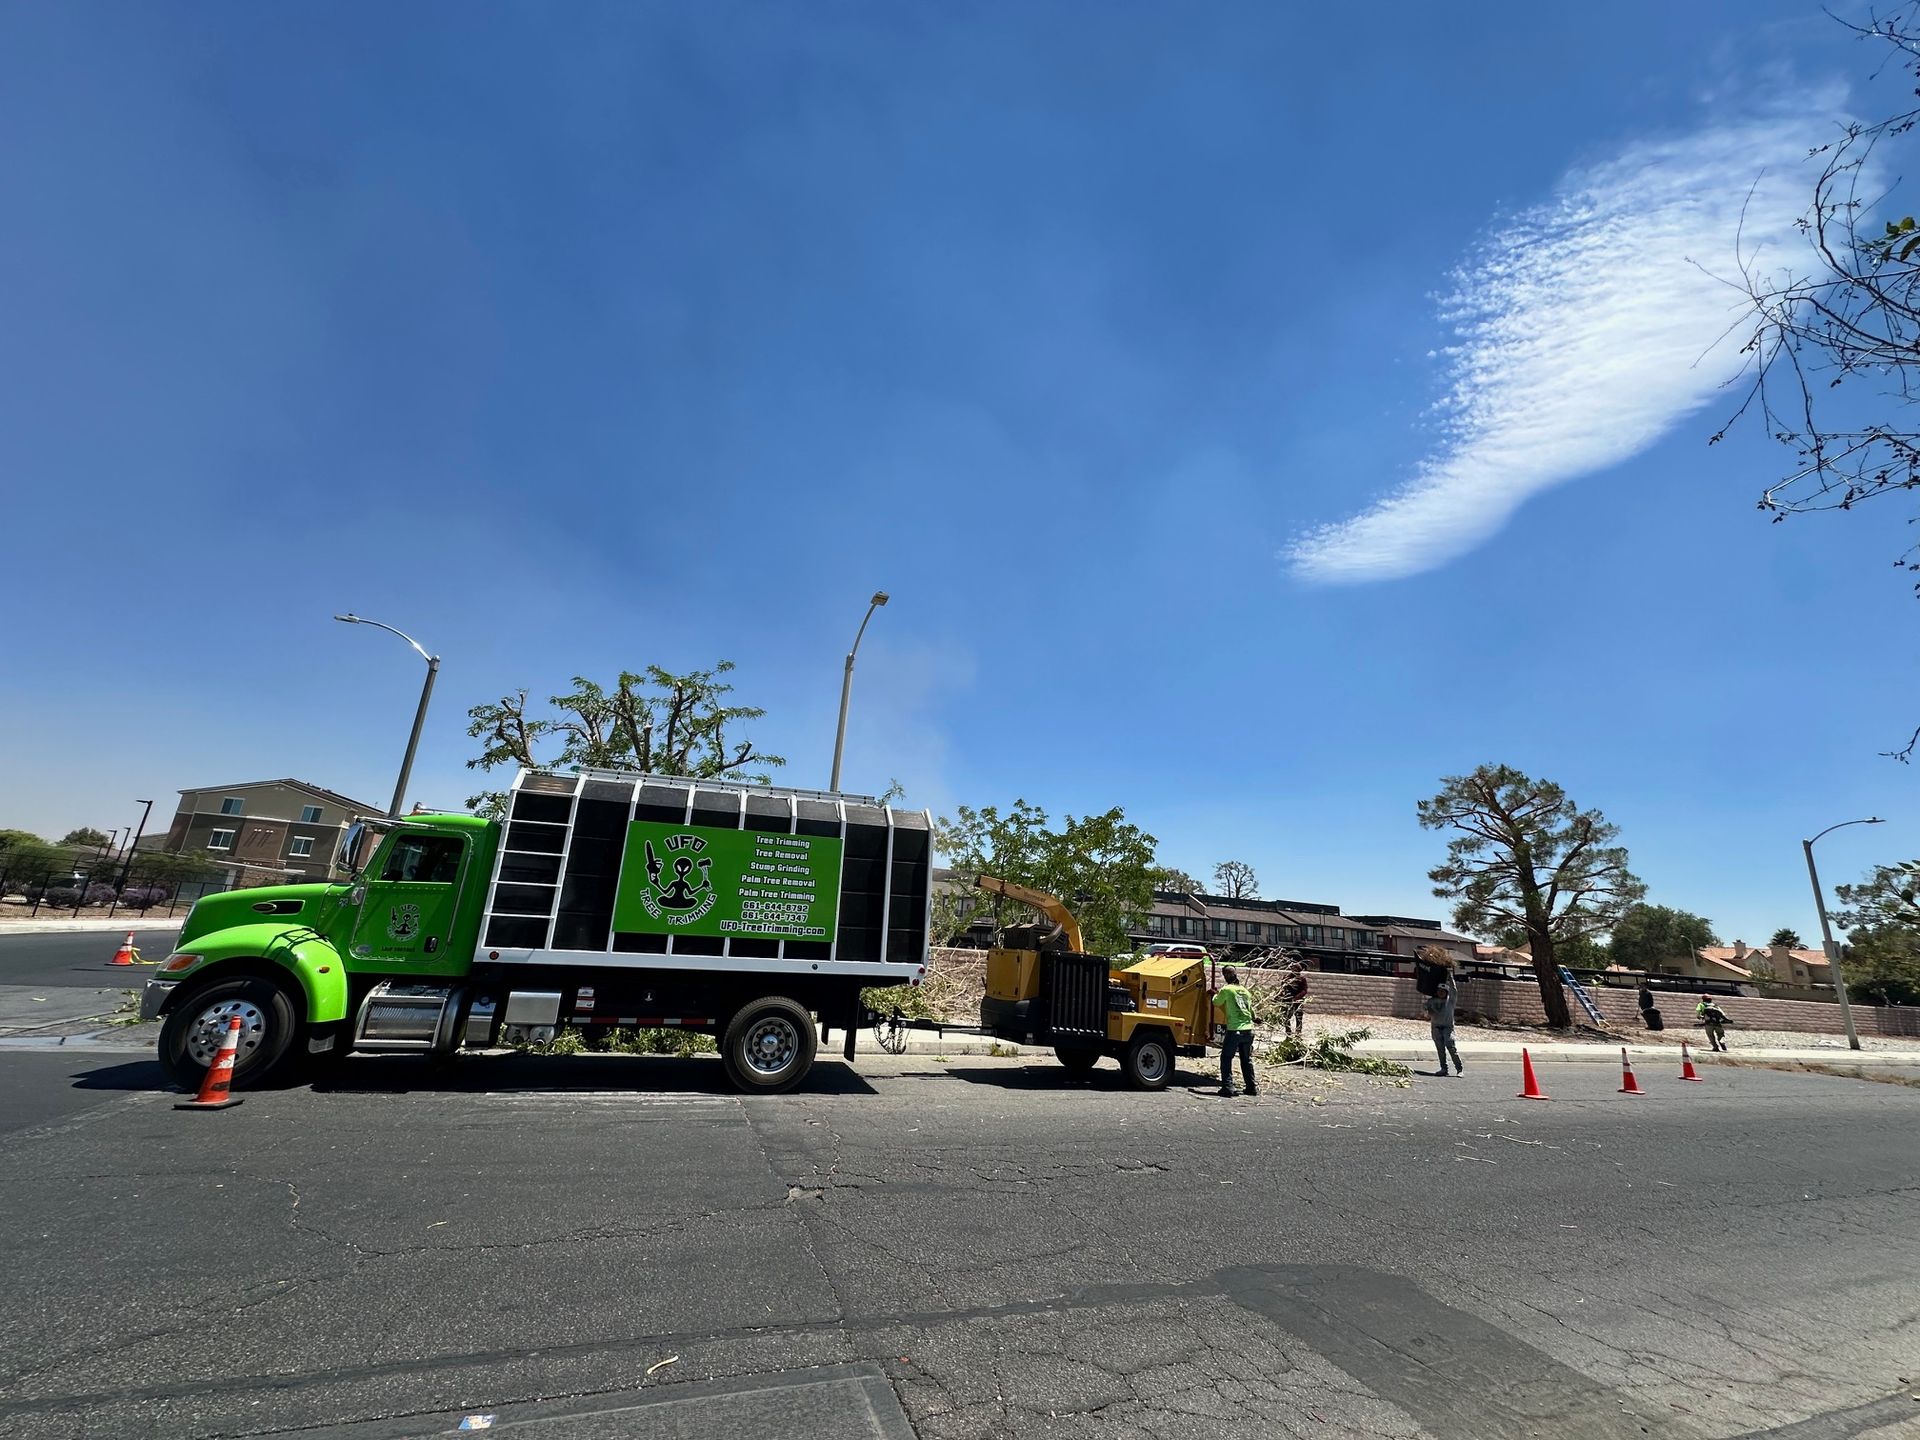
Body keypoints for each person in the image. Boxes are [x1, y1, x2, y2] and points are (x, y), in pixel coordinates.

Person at [1212, 966, 1258, 1097]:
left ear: (1226, 975)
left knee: (1226, 1058)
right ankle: (1251, 1087)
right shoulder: (1245, 991)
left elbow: (1216, 1002)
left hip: (1235, 1030)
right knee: (1246, 1059)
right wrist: (1255, 1018)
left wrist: (1214, 993)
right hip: (1248, 1030)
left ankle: (1228, 1087)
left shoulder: (1226, 990)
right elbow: (1251, 1011)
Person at [1426, 976, 1463, 1076]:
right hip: (1436, 1027)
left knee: (1450, 1045)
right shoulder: (1432, 1001)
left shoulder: (1450, 1001)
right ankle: (1444, 1068)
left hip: (1448, 1027)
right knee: (1440, 1049)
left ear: (1446, 992)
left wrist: (1450, 977)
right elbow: (1428, 1012)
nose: (1441, 993)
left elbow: (1454, 989)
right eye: (1439, 991)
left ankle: (1459, 1069)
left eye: (1443, 991)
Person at [1279, 961, 1309, 1040]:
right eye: (1293, 968)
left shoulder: (1302, 979)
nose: (1294, 970)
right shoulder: (1287, 977)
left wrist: (1296, 998)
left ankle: (1298, 1035)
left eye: (1296, 968)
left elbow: (1304, 990)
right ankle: (1288, 1035)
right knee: (1286, 1018)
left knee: (1298, 1018)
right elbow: (1282, 988)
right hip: (1287, 1000)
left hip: (1297, 1001)